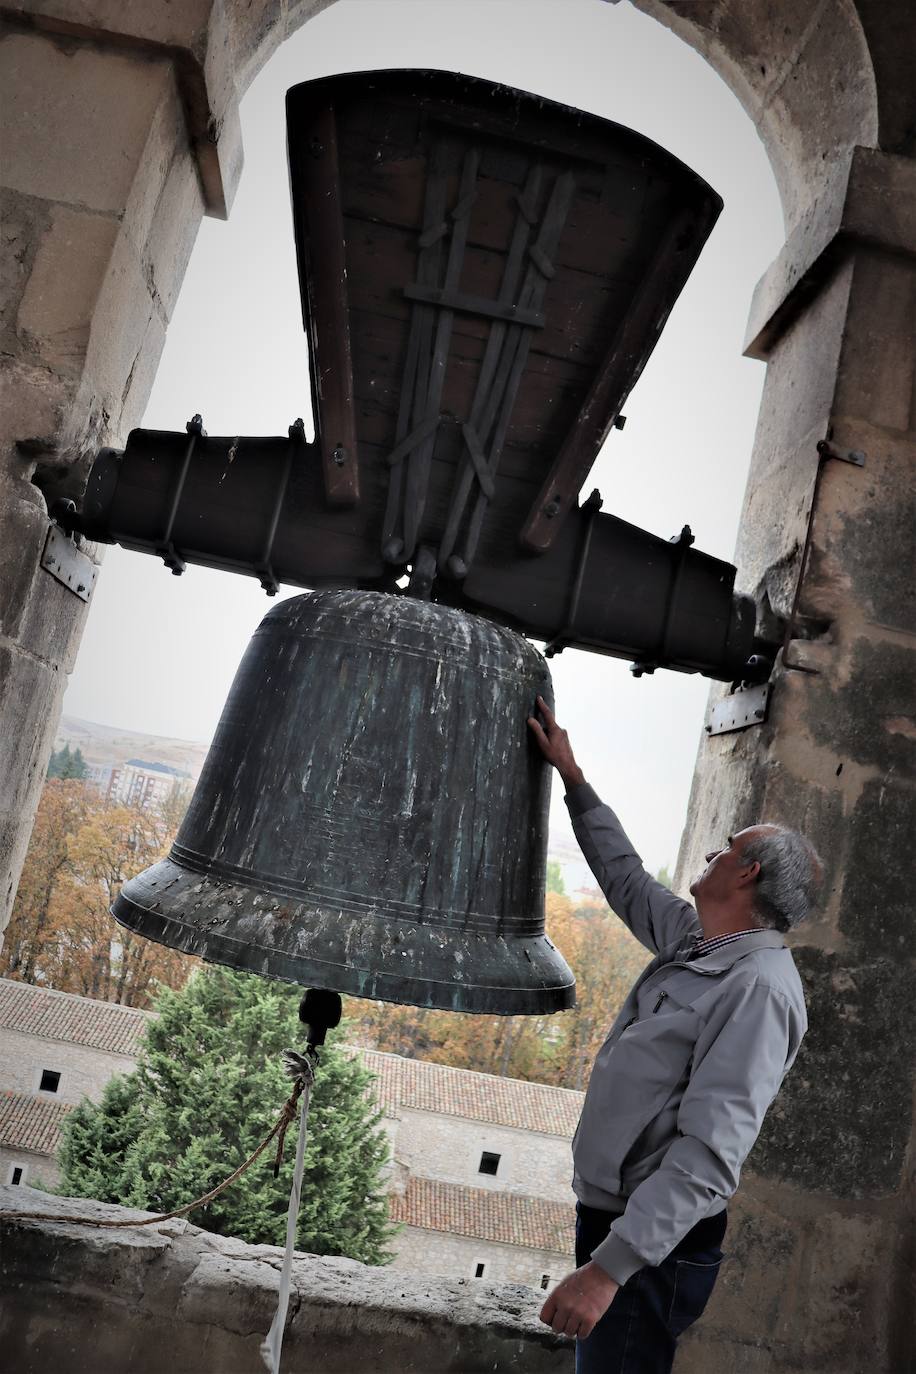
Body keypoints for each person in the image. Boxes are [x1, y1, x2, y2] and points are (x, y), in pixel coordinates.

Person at [527, 696, 822, 1374]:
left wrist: (608, 1272)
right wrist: (573, 779)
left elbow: (710, 1157)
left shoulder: (759, 990)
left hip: (648, 1241)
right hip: (617, 1222)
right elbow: (626, 880)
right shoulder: (700, 939)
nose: (715, 851)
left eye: (729, 848)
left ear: (745, 874)